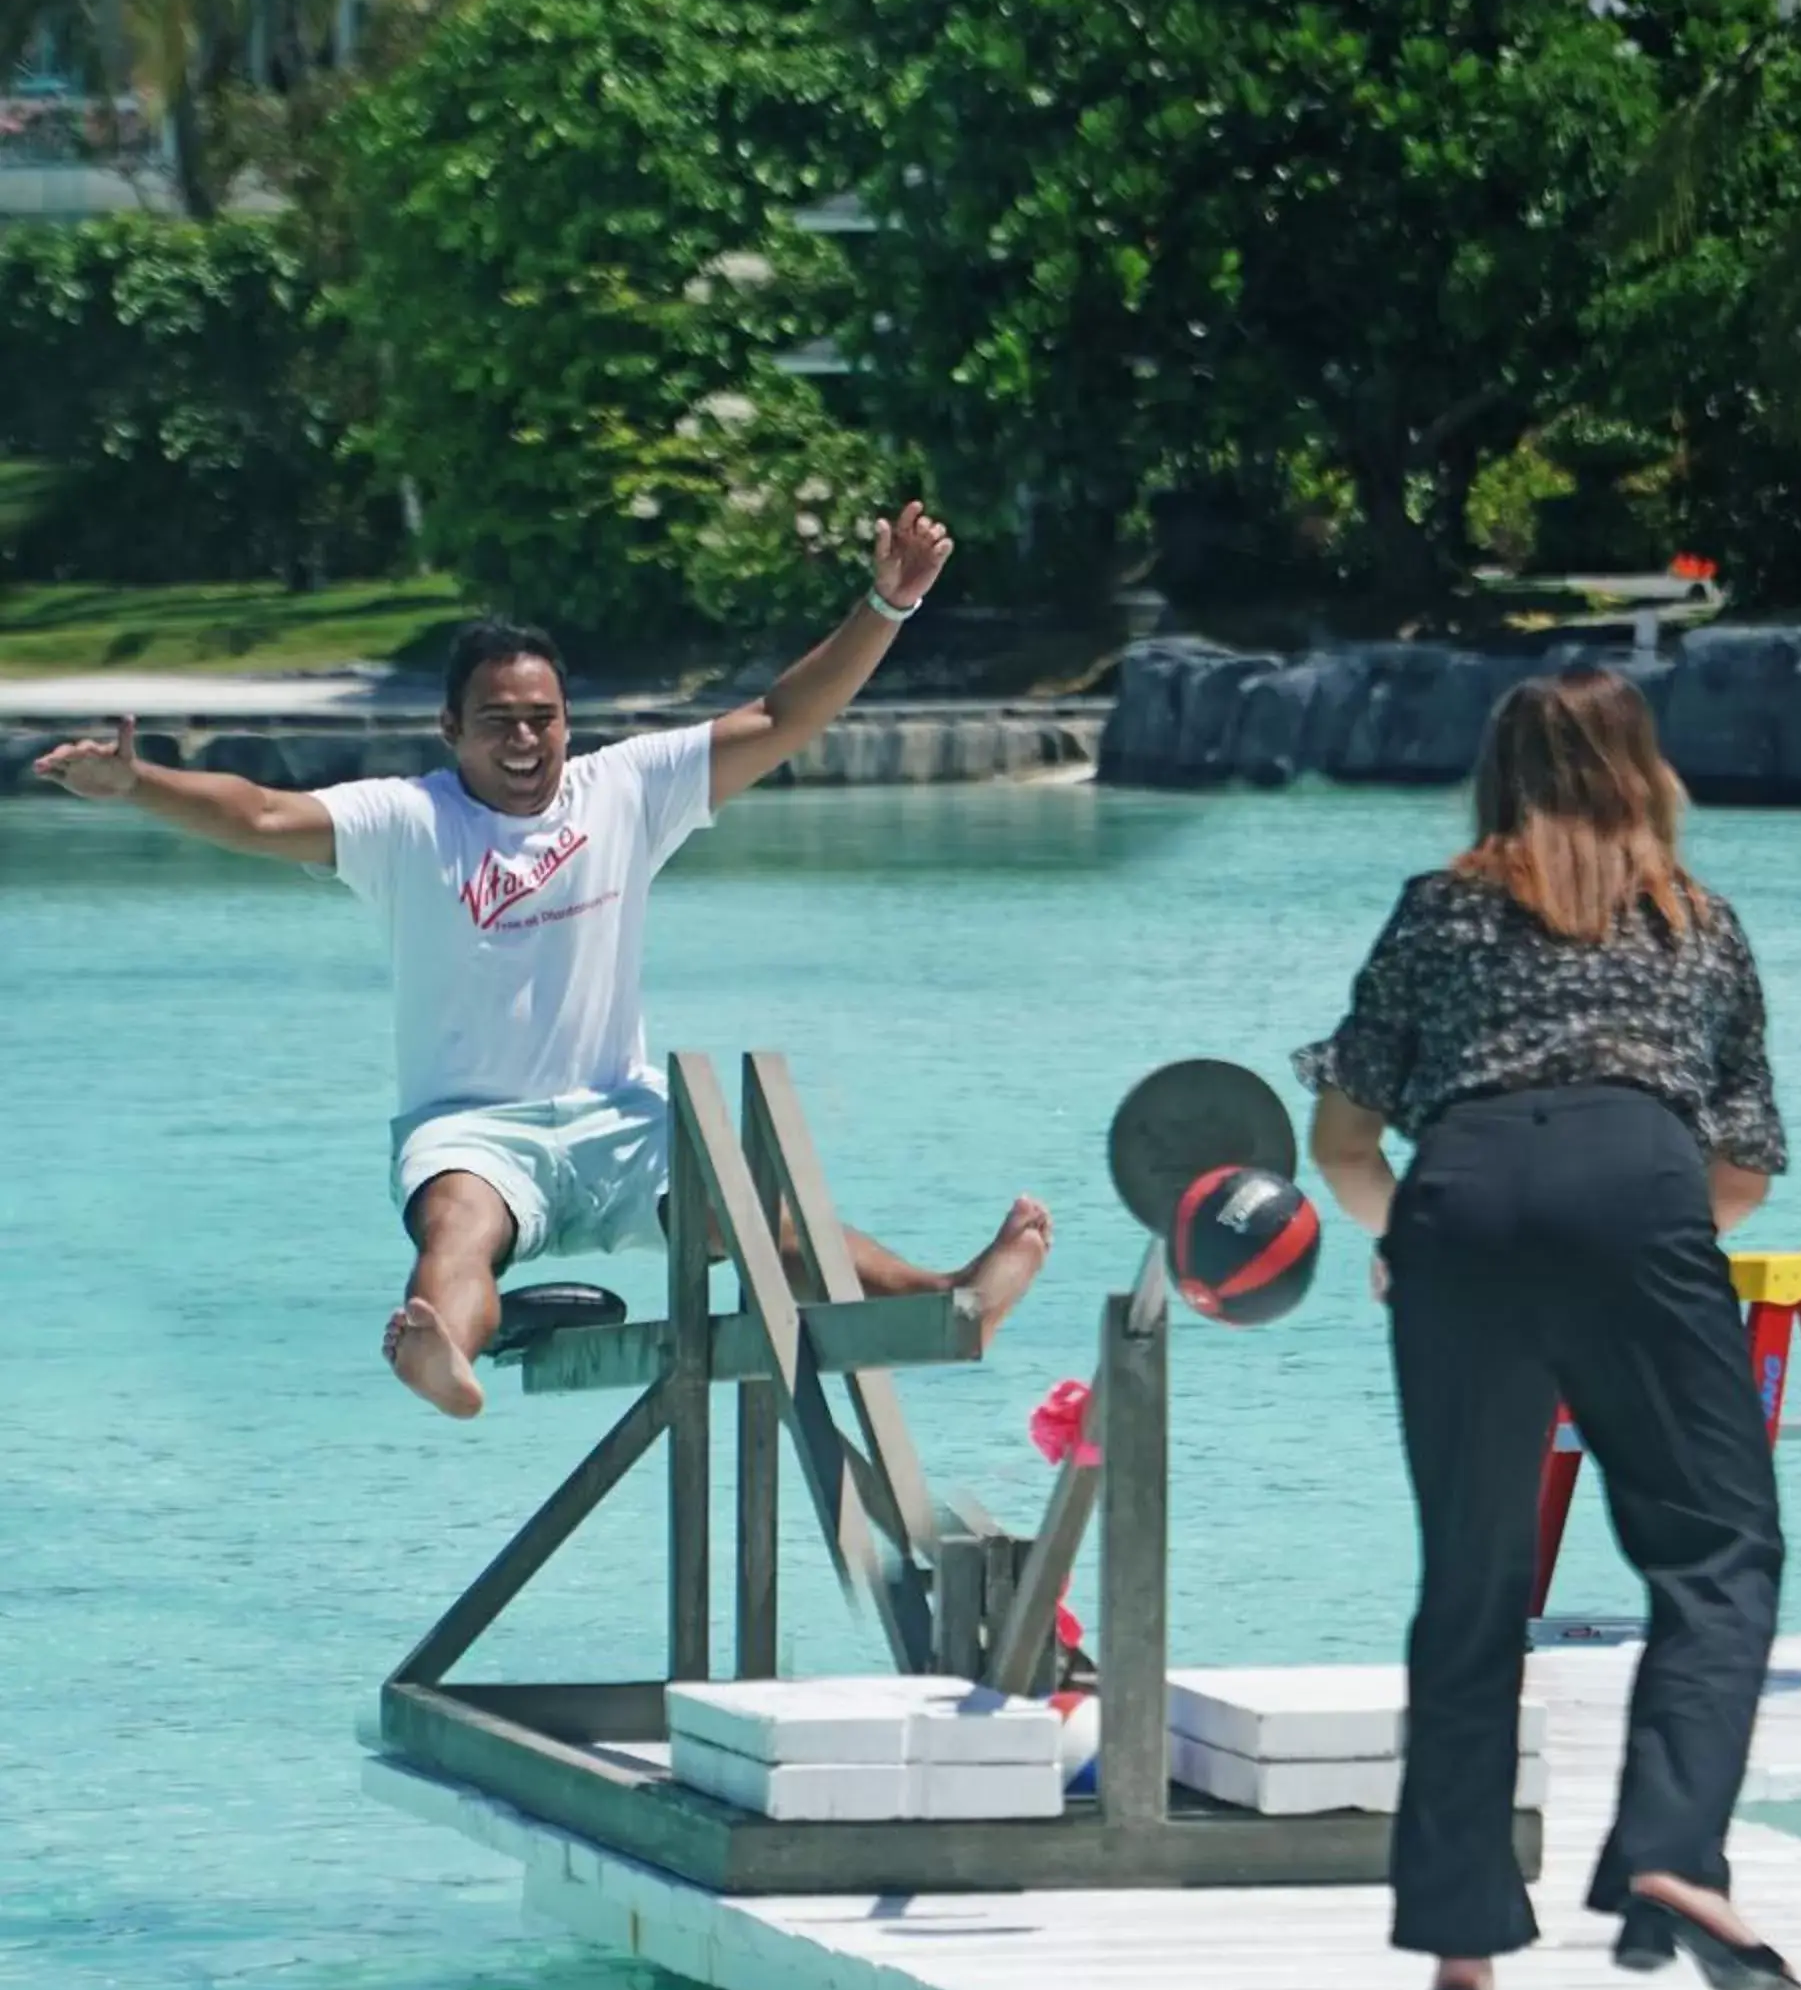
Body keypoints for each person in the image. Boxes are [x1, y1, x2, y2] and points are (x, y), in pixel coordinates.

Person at [34, 504, 1051, 1418]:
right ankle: (446, 1353)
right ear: (449, 729)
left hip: (620, 1115)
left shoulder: (624, 791)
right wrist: (138, 786)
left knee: (766, 1228)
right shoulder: (406, 821)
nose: (525, 742)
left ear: (567, 720)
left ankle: (950, 1301)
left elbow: (783, 718)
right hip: (474, 1127)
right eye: (498, 723)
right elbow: (257, 813)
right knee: (459, 1234)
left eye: (543, 719)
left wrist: (886, 603)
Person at [1296, 671, 1800, 1990]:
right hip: (1638, 1186)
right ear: (1648, 773)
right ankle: (1671, 1852)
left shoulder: (1438, 908)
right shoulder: (1698, 926)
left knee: (1471, 1586)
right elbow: (1743, 1169)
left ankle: (1465, 1962)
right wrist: (1640, 1240)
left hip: (1460, 1198)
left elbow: (1343, 1144)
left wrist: (1427, 1237)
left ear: (1497, 775)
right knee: (1717, 1552)